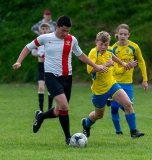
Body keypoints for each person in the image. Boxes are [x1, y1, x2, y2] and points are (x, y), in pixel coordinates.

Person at [12, 15, 109, 146]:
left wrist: (96, 66)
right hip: (51, 76)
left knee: (58, 111)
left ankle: (40, 116)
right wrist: (19, 61)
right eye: (63, 30)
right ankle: (68, 138)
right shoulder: (45, 38)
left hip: (67, 78)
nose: (65, 33)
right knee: (64, 105)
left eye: (68, 31)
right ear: (56, 27)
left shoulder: (71, 39)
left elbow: (80, 55)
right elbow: (28, 47)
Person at [81, 31, 145, 139]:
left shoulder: (109, 49)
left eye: (106, 45)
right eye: (101, 44)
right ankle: (86, 124)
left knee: (128, 104)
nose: (103, 47)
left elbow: (113, 56)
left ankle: (134, 132)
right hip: (99, 90)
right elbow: (90, 70)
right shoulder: (93, 53)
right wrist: (106, 64)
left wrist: (123, 64)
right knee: (99, 115)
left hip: (112, 84)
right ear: (96, 42)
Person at [109, 24, 148, 134]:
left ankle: (133, 131)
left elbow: (141, 62)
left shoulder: (134, 47)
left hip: (127, 83)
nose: (123, 36)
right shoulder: (113, 49)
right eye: (121, 34)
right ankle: (119, 131)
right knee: (115, 107)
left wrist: (145, 79)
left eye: (125, 34)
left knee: (129, 105)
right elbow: (115, 70)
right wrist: (126, 67)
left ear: (129, 35)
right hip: (115, 82)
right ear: (117, 34)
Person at [31, 22, 53, 112]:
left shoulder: (52, 41)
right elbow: (33, 52)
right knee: (41, 87)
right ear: (40, 30)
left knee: (50, 87)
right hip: (41, 66)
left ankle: (49, 109)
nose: (44, 30)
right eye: (43, 29)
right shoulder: (37, 40)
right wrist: (39, 54)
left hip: (50, 66)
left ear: (49, 30)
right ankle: (41, 110)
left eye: (46, 28)